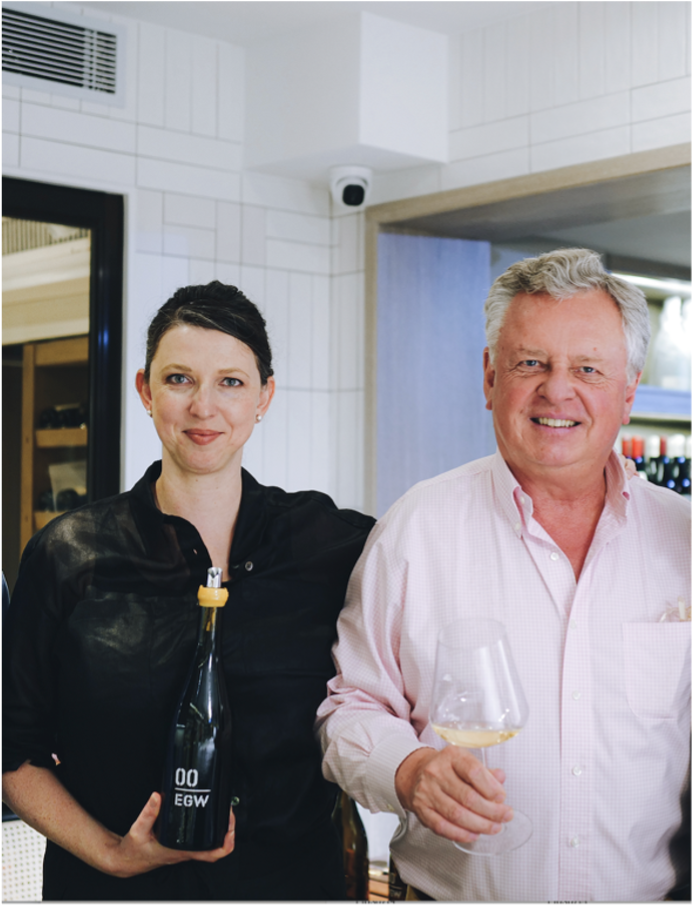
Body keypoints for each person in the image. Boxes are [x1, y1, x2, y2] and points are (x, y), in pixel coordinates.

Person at [317, 249, 692, 903]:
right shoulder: (416, 529)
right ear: (490, 377)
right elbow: (350, 708)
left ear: (627, 392)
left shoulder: (683, 539)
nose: (557, 389)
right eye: (530, 364)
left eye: (587, 368)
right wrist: (406, 769)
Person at [1, 281, 375, 901]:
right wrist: (114, 855)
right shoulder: (68, 555)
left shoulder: (333, 546)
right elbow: (14, 752)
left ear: (264, 397)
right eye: (179, 380)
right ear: (146, 390)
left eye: (231, 381)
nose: (205, 407)